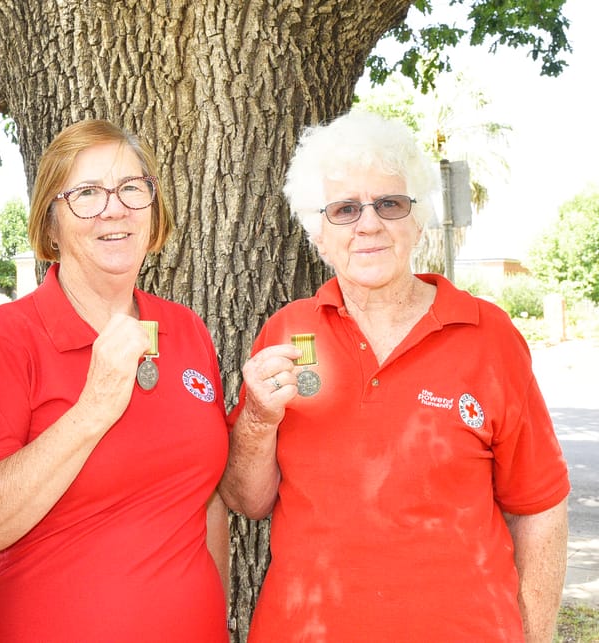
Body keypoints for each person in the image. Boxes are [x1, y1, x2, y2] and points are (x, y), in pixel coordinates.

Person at [220, 109, 570, 642]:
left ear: (417, 218)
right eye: (344, 209)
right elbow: (248, 501)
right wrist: (257, 420)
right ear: (318, 232)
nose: (369, 224)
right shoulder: (286, 333)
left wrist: (536, 634)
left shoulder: (489, 337)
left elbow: (540, 507)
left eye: (389, 203)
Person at [0, 119, 230, 642]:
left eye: (130, 188)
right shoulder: (7, 336)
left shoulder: (186, 329)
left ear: (153, 208)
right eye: (86, 193)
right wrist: (92, 410)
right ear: (51, 225)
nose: (114, 207)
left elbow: (204, 499)